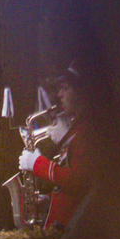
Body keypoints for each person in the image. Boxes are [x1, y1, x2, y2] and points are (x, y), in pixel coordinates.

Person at [18, 64, 89, 230]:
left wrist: (38, 164)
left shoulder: (88, 130)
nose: (59, 94)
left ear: (82, 93)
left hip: (77, 229)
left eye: (65, 88)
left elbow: (78, 182)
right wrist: (49, 201)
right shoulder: (79, 126)